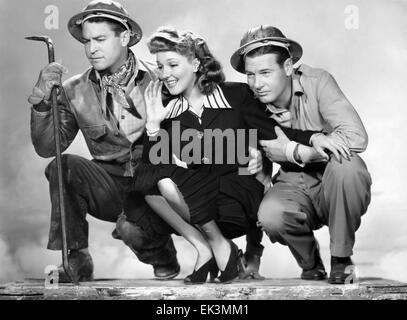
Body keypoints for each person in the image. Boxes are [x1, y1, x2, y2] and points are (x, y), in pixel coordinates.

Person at [139, 27, 338, 283]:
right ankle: (208, 247)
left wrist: (314, 137)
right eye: (160, 67)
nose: (165, 74)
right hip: (201, 205)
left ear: (196, 63)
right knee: (152, 188)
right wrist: (154, 124)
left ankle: (219, 246)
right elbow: (150, 172)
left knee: (178, 182)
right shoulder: (171, 111)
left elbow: (274, 132)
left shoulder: (236, 95)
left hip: (238, 202)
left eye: (172, 65)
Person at [28, 0, 181, 282]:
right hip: (112, 185)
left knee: (131, 229)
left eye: (100, 39)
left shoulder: (162, 78)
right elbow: (48, 147)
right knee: (62, 165)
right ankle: (77, 258)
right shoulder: (74, 89)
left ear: (124, 37)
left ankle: (163, 254)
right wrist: (40, 101)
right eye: (86, 41)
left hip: (160, 184)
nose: (91, 49)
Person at [230, 25, 372, 284]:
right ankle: (310, 263)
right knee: (270, 214)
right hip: (291, 184)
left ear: (287, 67)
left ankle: (341, 259)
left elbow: (356, 137)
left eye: (265, 72)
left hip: (333, 177)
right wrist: (253, 252)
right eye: (250, 75)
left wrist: (297, 152)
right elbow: (255, 179)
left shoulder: (318, 82)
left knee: (349, 167)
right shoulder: (249, 106)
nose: (257, 84)